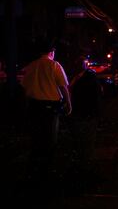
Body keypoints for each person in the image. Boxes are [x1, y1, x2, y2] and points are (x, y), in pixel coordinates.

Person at [21, 37, 72, 184]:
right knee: (50, 139)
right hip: (50, 107)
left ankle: (33, 171)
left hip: (34, 106)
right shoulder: (54, 66)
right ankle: (46, 171)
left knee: (36, 138)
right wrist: (68, 103)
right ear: (52, 52)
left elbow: (24, 87)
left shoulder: (31, 66)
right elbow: (63, 86)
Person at [67, 56, 103, 190]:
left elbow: (94, 96)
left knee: (84, 144)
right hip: (83, 115)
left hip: (85, 114)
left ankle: (84, 171)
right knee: (84, 144)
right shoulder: (84, 77)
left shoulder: (86, 78)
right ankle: (83, 170)